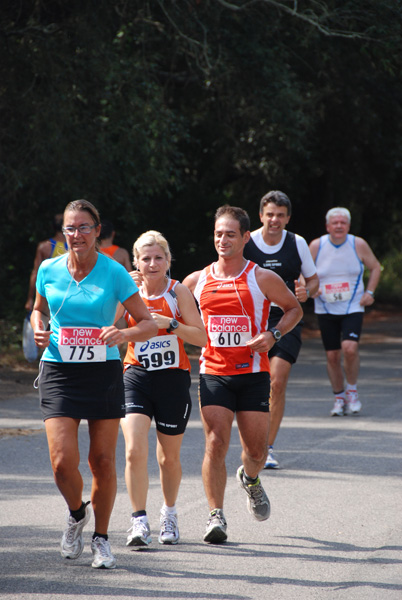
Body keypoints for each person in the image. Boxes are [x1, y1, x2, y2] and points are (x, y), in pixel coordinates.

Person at [31, 199, 157, 569]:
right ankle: (76, 513)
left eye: (84, 227)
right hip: (58, 369)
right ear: (63, 232)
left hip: (102, 371)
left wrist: (123, 333)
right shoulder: (49, 269)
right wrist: (38, 326)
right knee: (61, 462)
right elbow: (39, 309)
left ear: (97, 231)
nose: (77, 235)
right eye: (70, 228)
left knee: (101, 460)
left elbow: (147, 322)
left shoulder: (114, 272)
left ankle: (101, 539)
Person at [183, 205, 302, 544]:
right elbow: (165, 301)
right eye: (219, 233)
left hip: (252, 373)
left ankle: (250, 479)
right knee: (215, 441)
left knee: (257, 451)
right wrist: (141, 281)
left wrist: (274, 335)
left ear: (246, 237)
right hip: (213, 372)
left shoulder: (262, 277)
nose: (223, 239)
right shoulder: (197, 280)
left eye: (230, 234)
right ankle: (215, 515)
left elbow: (294, 309)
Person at [120, 231, 207, 548]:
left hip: (172, 379)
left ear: (168, 261)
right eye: (146, 258)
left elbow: (201, 338)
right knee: (133, 449)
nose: (153, 263)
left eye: (159, 257)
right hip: (136, 376)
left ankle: (169, 513)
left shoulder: (178, 291)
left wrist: (169, 324)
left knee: (168, 459)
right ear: (136, 263)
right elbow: (111, 328)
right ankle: (138, 520)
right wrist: (121, 293)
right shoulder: (127, 292)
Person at [244, 191, 319, 469]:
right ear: (261, 215)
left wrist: (305, 292)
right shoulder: (247, 240)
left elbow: (313, 281)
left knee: (277, 381)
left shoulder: (296, 242)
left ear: (288, 218)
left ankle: (267, 447)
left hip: (286, 318)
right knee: (253, 383)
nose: (274, 220)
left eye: (280, 215)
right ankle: (252, 441)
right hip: (250, 322)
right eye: (270, 214)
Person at [309, 207, 381, 416]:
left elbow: (375, 267)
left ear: (348, 226)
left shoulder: (357, 244)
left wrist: (370, 292)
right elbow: (302, 271)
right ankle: (338, 398)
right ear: (327, 226)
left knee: (349, 348)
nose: (339, 226)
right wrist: (311, 289)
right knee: (332, 355)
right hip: (325, 306)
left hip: (353, 305)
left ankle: (352, 391)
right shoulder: (317, 245)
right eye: (335, 223)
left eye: (343, 223)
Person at [25, 214, 68, 312]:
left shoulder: (44, 246)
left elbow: (35, 273)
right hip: (68, 294)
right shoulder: (74, 247)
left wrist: (30, 299)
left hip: (48, 294)